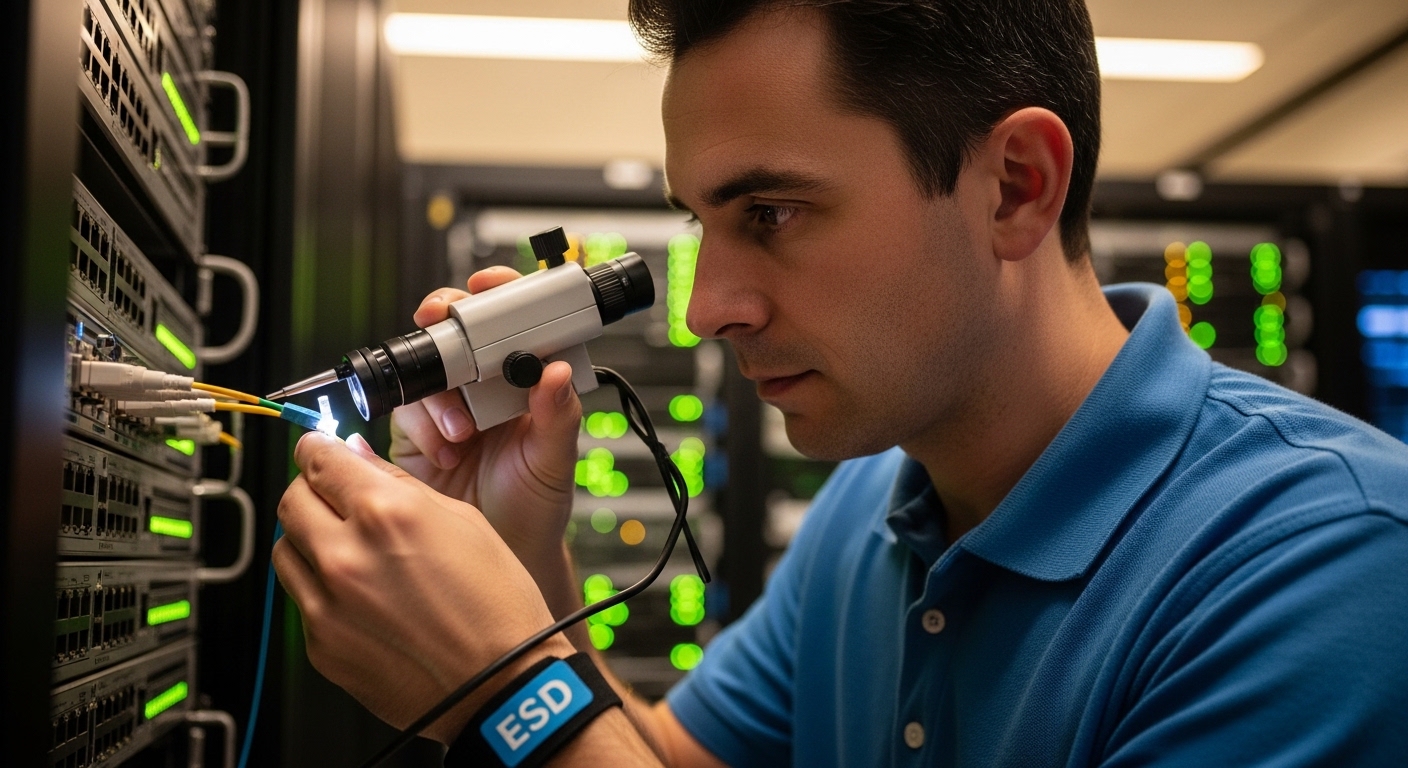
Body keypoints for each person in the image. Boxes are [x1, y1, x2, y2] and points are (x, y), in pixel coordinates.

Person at [272, 0, 1408, 765]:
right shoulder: (875, 506)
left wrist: (498, 694)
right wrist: (525, 577)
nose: (708, 304)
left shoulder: (1329, 568)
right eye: (701, 223)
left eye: (771, 213)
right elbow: (667, 759)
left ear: (1015, 185)